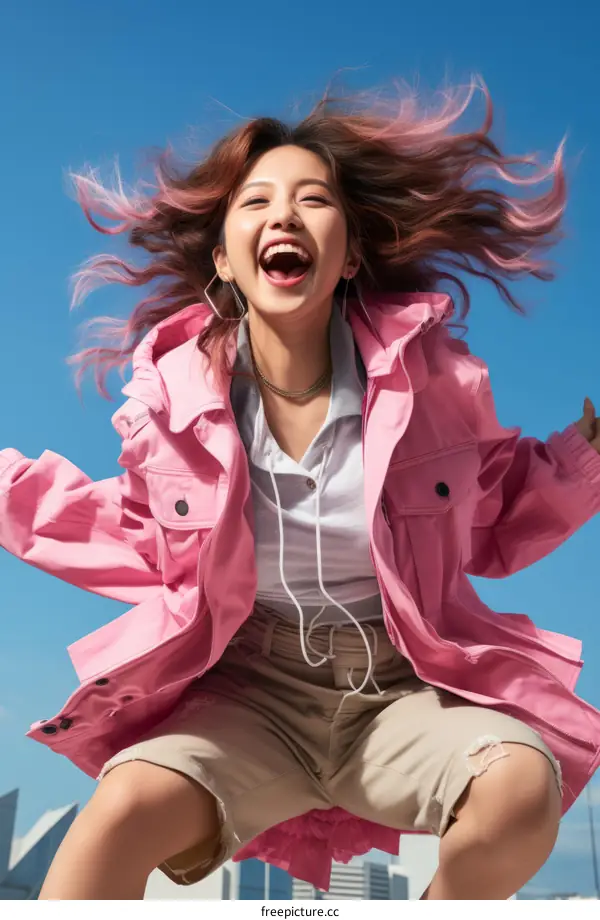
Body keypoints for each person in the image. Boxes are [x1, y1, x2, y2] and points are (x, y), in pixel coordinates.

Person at [1, 81, 599, 901]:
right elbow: (124, 531)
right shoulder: (172, 411)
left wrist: (585, 457)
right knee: (116, 817)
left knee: (519, 790)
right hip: (251, 696)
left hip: (400, 690)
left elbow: (494, 523)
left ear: (349, 253)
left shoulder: (436, 388)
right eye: (256, 202)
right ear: (223, 257)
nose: (283, 216)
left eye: (313, 200)